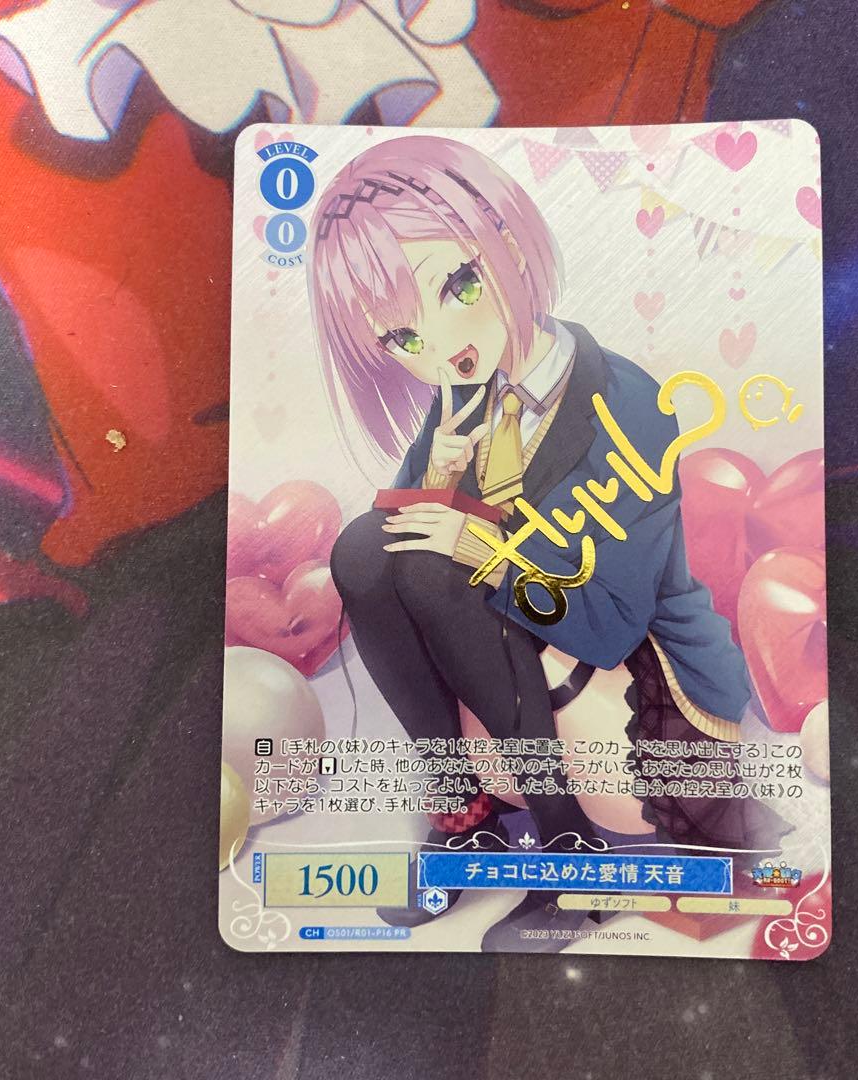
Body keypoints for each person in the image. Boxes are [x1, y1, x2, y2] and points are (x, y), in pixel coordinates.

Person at [311, 135, 767, 951]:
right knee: (362, 552)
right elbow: (401, 553)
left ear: (510, 248)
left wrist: (481, 548)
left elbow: (611, 624)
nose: (441, 343)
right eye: (402, 339)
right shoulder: (464, 391)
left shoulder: (627, 402)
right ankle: (468, 816)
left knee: (441, 567)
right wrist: (441, 475)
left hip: (638, 689)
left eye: (456, 285)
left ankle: (569, 845)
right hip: (521, 678)